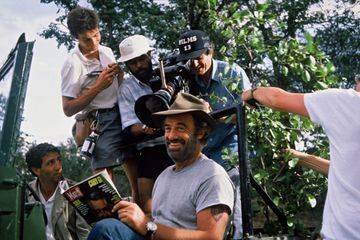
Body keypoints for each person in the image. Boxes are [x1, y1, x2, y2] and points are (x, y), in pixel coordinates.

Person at [87, 92, 234, 240]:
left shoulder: (212, 176)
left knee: (106, 229)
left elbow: (212, 237)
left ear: (201, 133)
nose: (171, 136)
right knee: (109, 224)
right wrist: (131, 215)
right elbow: (159, 222)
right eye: (168, 128)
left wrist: (146, 225)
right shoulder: (164, 176)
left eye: (180, 128)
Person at [242, 85, 360, 239]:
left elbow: (276, 99)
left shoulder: (348, 102)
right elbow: (347, 173)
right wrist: (302, 158)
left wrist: (252, 92)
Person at [175, 29, 251, 239]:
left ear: (210, 52)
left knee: (235, 210)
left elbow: (248, 111)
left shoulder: (232, 73)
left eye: (198, 58)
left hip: (231, 150)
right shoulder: (186, 80)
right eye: (189, 61)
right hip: (202, 153)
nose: (195, 65)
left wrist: (215, 117)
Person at [60, 6, 138, 200]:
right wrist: (98, 86)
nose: (94, 43)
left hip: (124, 112)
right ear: (75, 37)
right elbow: (68, 109)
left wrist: (121, 78)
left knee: (136, 163)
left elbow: (120, 82)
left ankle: (140, 210)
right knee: (103, 177)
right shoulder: (72, 64)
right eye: (87, 39)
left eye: (97, 35)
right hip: (101, 119)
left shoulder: (107, 51)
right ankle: (107, 219)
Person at [117, 35, 173, 213]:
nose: (139, 66)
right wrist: (144, 128)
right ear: (127, 66)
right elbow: (129, 127)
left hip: (179, 145)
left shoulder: (170, 76)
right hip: (151, 151)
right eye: (132, 62)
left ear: (150, 55)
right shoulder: (126, 88)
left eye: (141, 59)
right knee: (148, 209)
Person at [25, 143, 91, 240]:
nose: (58, 167)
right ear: (36, 170)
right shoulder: (25, 192)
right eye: (51, 162)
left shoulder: (75, 191)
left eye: (59, 160)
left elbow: (85, 234)